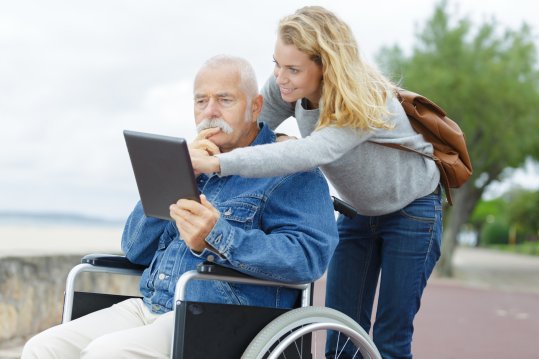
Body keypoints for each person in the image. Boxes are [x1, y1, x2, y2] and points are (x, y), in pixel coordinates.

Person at [21, 54, 339, 359]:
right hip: (153, 304)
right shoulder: (190, 164)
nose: (210, 112)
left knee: (106, 354)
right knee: (43, 348)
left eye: (225, 100)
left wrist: (218, 236)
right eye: (201, 101)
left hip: (221, 315)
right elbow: (134, 249)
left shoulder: (291, 169)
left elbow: (308, 258)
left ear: (255, 106)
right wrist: (176, 175)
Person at [191, 6, 443, 359]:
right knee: (340, 333)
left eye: (294, 69)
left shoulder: (365, 98)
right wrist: (210, 139)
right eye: (277, 64)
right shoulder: (283, 87)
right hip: (358, 212)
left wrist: (216, 162)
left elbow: (311, 153)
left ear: (326, 66)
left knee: (390, 339)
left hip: (412, 211)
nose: (281, 78)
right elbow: (248, 132)